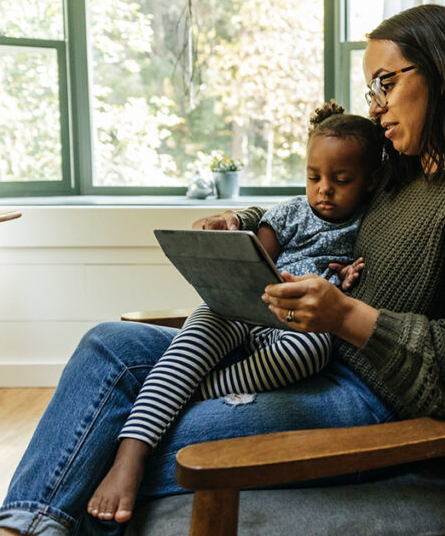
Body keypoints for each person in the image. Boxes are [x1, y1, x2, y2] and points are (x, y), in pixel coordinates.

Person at [0, 3, 445, 536]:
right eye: (372, 90)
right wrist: (240, 222)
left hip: (370, 399)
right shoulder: (395, 175)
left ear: (441, 71)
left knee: (131, 437)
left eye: (386, 84)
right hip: (299, 353)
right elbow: (311, 208)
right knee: (107, 343)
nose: (376, 108)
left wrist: (346, 315)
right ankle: (18, 529)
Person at [86, 101, 382, 523]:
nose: (324, 190)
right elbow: (251, 259)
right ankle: (131, 452)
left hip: (296, 325)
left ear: (370, 181)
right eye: (313, 177)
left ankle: (184, 396)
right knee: (199, 329)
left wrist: (350, 278)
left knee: (314, 350)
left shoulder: (371, 226)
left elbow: (356, 291)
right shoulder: (290, 213)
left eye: (341, 180)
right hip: (245, 306)